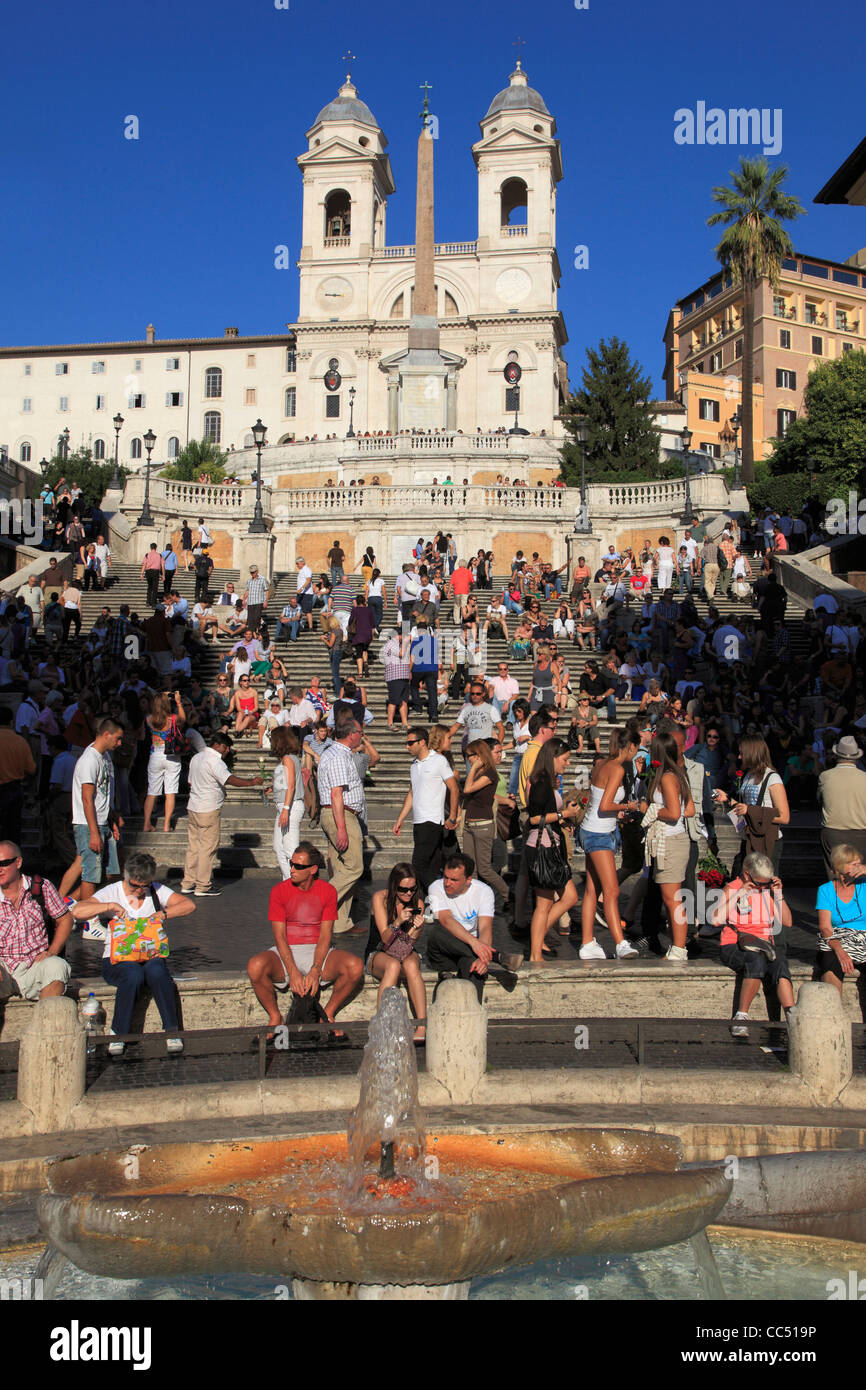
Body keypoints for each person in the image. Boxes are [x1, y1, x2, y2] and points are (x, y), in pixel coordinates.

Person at [71, 852, 195, 1055]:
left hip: (149, 954)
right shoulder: (113, 891)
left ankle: (172, 1030)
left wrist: (163, 913)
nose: (138, 891)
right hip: (118, 959)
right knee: (133, 974)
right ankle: (118, 1033)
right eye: (133, 885)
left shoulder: (156, 891)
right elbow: (79, 911)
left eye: (143, 886)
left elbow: (189, 905)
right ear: (125, 877)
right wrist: (109, 906)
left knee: (157, 970)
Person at [247, 841, 363, 1037]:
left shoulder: (327, 891)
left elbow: (326, 935)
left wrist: (315, 969)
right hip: (287, 950)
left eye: (299, 866)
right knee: (255, 966)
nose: (292, 869)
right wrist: (292, 971)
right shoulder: (279, 891)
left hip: (318, 950)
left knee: (355, 966)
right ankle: (275, 1017)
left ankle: (327, 1014)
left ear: (313, 870)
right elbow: (280, 936)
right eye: (292, 864)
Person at [712, 852, 795, 1038]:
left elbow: (788, 922)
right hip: (735, 944)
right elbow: (715, 919)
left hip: (764, 944)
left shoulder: (769, 890)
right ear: (748, 875)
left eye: (767, 882)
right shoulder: (732, 888)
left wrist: (778, 894)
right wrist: (740, 893)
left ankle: (792, 1017)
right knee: (755, 960)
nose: (763, 886)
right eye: (760, 883)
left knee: (780, 964)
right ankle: (741, 1016)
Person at [577, 729, 641, 961]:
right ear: (631, 746)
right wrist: (629, 807)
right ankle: (620, 942)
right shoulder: (617, 768)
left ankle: (587, 943)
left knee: (592, 890)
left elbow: (599, 802)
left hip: (593, 829)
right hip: (598, 834)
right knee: (612, 890)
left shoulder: (602, 763)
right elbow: (605, 805)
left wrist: (619, 813)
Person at [424, 853, 521, 1002]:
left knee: (475, 969)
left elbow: (485, 928)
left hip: (472, 951)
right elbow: (446, 920)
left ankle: (474, 1016)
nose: (447, 883)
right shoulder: (435, 887)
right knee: (437, 933)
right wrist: (477, 946)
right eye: (446, 877)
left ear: (468, 880)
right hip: (443, 952)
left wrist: (482, 960)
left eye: (454, 880)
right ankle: (496, 956)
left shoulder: (484, 891)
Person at [180, 733, 264, 897]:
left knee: (193, 847)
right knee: (207, 848)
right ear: (222, 746)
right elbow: (229, 779)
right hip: (208, 808)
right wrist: (251, 782)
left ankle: (188, 882)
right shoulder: (215, 761)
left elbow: (190, 781)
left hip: (193, 806)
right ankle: (203, 885)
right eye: (227, 749)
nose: (227, 752)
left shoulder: (197, 757)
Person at [642, 732, 695, 962]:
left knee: (672, 898)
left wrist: (651, 809)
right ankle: (676, 946)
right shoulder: (678, 775)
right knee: (670, 897)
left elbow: (674, 813)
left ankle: (679, 949)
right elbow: (689, 809)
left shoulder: (666, 777)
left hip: (671, 841)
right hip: (674, 840)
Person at [0, 842, 73, 1003]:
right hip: (4, 968)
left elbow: (66, 919)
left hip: (34, 965)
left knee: (57, 966)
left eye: (4, 864)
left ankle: (44, 1024)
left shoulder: (41, 887)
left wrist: (52, 951)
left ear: (18, 863)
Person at [393, 726, 459, 897]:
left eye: (410, 743)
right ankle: (430, 903)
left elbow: (454, 788)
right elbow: (412, 792)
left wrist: (452, 816)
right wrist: (400, 819)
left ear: (422, 742)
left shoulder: (439, 761)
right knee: (428, 865)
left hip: (433, 821)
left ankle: (436, 896)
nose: (407, 747)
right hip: (418, 821)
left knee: (418, 864)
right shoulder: (414, 765)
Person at [367, 863, 428, 1042]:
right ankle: (382, 1023)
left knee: (410, 963)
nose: (408, 893)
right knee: (393, 965)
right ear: (394, 886)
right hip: (379, 952)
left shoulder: (418, 904)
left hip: (404, 950)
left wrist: (417, 929)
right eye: (403, 889)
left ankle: (422, 1024)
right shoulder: (381, 899)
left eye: (412, 889)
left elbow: (406, 945)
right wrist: (398, 922)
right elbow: (385, 938)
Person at [317, 715, 367, 935]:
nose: (362, 737)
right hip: (341, 815)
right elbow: (336, 793)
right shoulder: (337, 756)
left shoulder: (338, 753)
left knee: (340, 867)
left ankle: (340, 922)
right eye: (360, 733)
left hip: (340, 814)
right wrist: (342, 828)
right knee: (354, 867)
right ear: (351, 735)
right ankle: (316, 903)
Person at [66, 718, 125, 904]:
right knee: (90, 873)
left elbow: (103, 795)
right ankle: (87, 919)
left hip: (102, 820)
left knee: (110, 871)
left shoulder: (103, 757)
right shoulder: (89, 760)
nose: (120, 743)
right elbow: (87, 798)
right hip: (89, 823)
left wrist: (112, 817)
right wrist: (93, 832)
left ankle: (68, 904)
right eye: (117, 738)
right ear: (106, 734)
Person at [815, 844, 866, 1000]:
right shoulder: (826, 890)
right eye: (854, 864)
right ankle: (834, 1013)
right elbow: (825, 927)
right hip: (838, 939)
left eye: (860, 863)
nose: (859, 867)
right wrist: (840, 951)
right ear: (839, 866)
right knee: (830, 961)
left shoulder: (864, 885)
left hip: (863, 939)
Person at [818, 736, 866, 876]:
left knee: (835, 875)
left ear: (836, 754)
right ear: (856, 757)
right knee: (859, 875)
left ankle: (836, 898)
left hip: (833, 831)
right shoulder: (864, 777)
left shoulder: (825, 776)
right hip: (861, 831)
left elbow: (820, 799)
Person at [141, 690, 186, 834]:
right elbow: (183, 719)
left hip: (155, 755)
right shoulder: (172, 719)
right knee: (170, 792)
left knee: (152, 792)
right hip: (171, 756)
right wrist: (178, 702)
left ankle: (147, 823)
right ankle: (166, 825)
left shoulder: (149, 719)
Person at [270, 726, 305, 878]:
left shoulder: (288, 759)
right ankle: (288, 880)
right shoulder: (290, 758)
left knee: (290, 849)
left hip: (290, 806)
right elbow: (287, 784)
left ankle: (298, 881)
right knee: (278, 847)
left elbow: (291, 785)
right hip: (285, 806)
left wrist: (285, 808)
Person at [244, 565, 270, 635]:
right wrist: (244, 599)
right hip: (250, 602)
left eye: (253, 572)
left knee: (256, 618)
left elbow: (266, 590)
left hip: (258, 601)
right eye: (251, 572)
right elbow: (247, 591)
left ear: (257, 572)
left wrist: (266, 601)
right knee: (250, 620)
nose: (252, 574)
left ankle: (257, 632)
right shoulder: (249, 581)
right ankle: (252, 634)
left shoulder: (262, 580)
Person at [141, 543, 164, 608]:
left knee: (149, 587)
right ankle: (153, 603)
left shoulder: (147, 555)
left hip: (148, 572)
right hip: (156, 572)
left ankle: (148, 602)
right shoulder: (159, 555)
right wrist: (163, 575)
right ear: (156, 548)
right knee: (155, 588)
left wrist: (142, 574)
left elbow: (144, 564)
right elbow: (162, 566)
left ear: (150, 547)